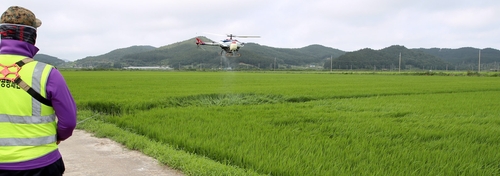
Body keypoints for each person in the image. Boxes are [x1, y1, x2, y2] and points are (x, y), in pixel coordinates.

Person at [0, 6, 77, 176]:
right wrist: (58, 137)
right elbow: (69, 122)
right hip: (40, 165)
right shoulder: (48, 73)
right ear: (32, 36)